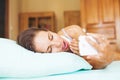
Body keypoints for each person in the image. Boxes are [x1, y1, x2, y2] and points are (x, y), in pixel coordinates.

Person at [17, 25, 120, 69]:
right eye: (50, 49)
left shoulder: (71, 32)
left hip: (100, 45)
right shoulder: (57, 61)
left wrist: (82, 49)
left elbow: (92, 52)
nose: (58, 44)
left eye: (51, 37)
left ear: (50, 31)